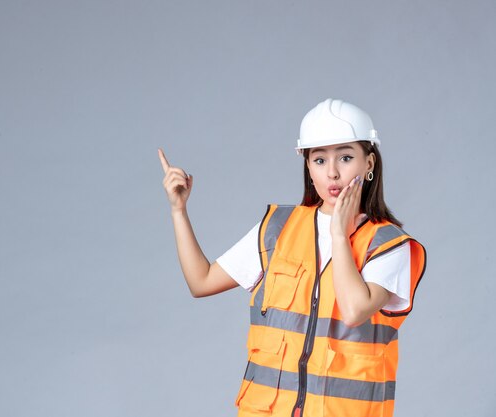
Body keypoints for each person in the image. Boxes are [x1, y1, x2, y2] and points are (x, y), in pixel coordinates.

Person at [158, 98, 426, 417]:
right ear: (307, 166)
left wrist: (340, 235)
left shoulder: (388, 244)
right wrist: (178, 211)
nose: (333, 173)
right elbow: (200, 282)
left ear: (368, 163)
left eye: (345, 157)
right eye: (319, 160)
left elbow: (355, 310)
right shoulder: (277, 229)